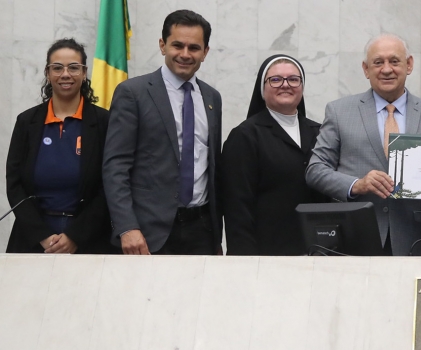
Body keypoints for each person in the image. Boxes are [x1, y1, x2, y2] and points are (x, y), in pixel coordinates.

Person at [306, 33, 421, 256]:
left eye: (394, 61)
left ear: (409, 65)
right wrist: (357, 184)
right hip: (353, 234)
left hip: (409, 238)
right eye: (378, 62)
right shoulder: (339, 111)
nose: (386, 69)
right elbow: (315, 170)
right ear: (365, 69)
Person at [103, 9, 223, 255]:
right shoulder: (132, 93)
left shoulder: (212, 98)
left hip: (202, 232)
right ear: (162, 45)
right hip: (147, 234)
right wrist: (126, 227)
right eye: (177, 45)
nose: (185, 54)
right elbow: (116, 165)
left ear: (205, 52)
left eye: (194, 48)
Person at [5, 38, 114, 254]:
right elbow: (14, 183)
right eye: (57, 68)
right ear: (47, 73)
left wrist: (76, 236)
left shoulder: (104, 122)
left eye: (74, 67)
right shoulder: (27, 122)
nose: (65, 74)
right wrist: (42, 236)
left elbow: (110, 184)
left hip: (89, 241)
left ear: (84, 73)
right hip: (33, 241)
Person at [221, 54, 326, 255]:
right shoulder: (245, 136)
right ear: (262, 88)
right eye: (276, 79)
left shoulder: (320, 133)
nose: (285, 85)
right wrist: (245, 260)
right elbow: (237, 208)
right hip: (266, 254)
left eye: (293, 79)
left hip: (317, 252)